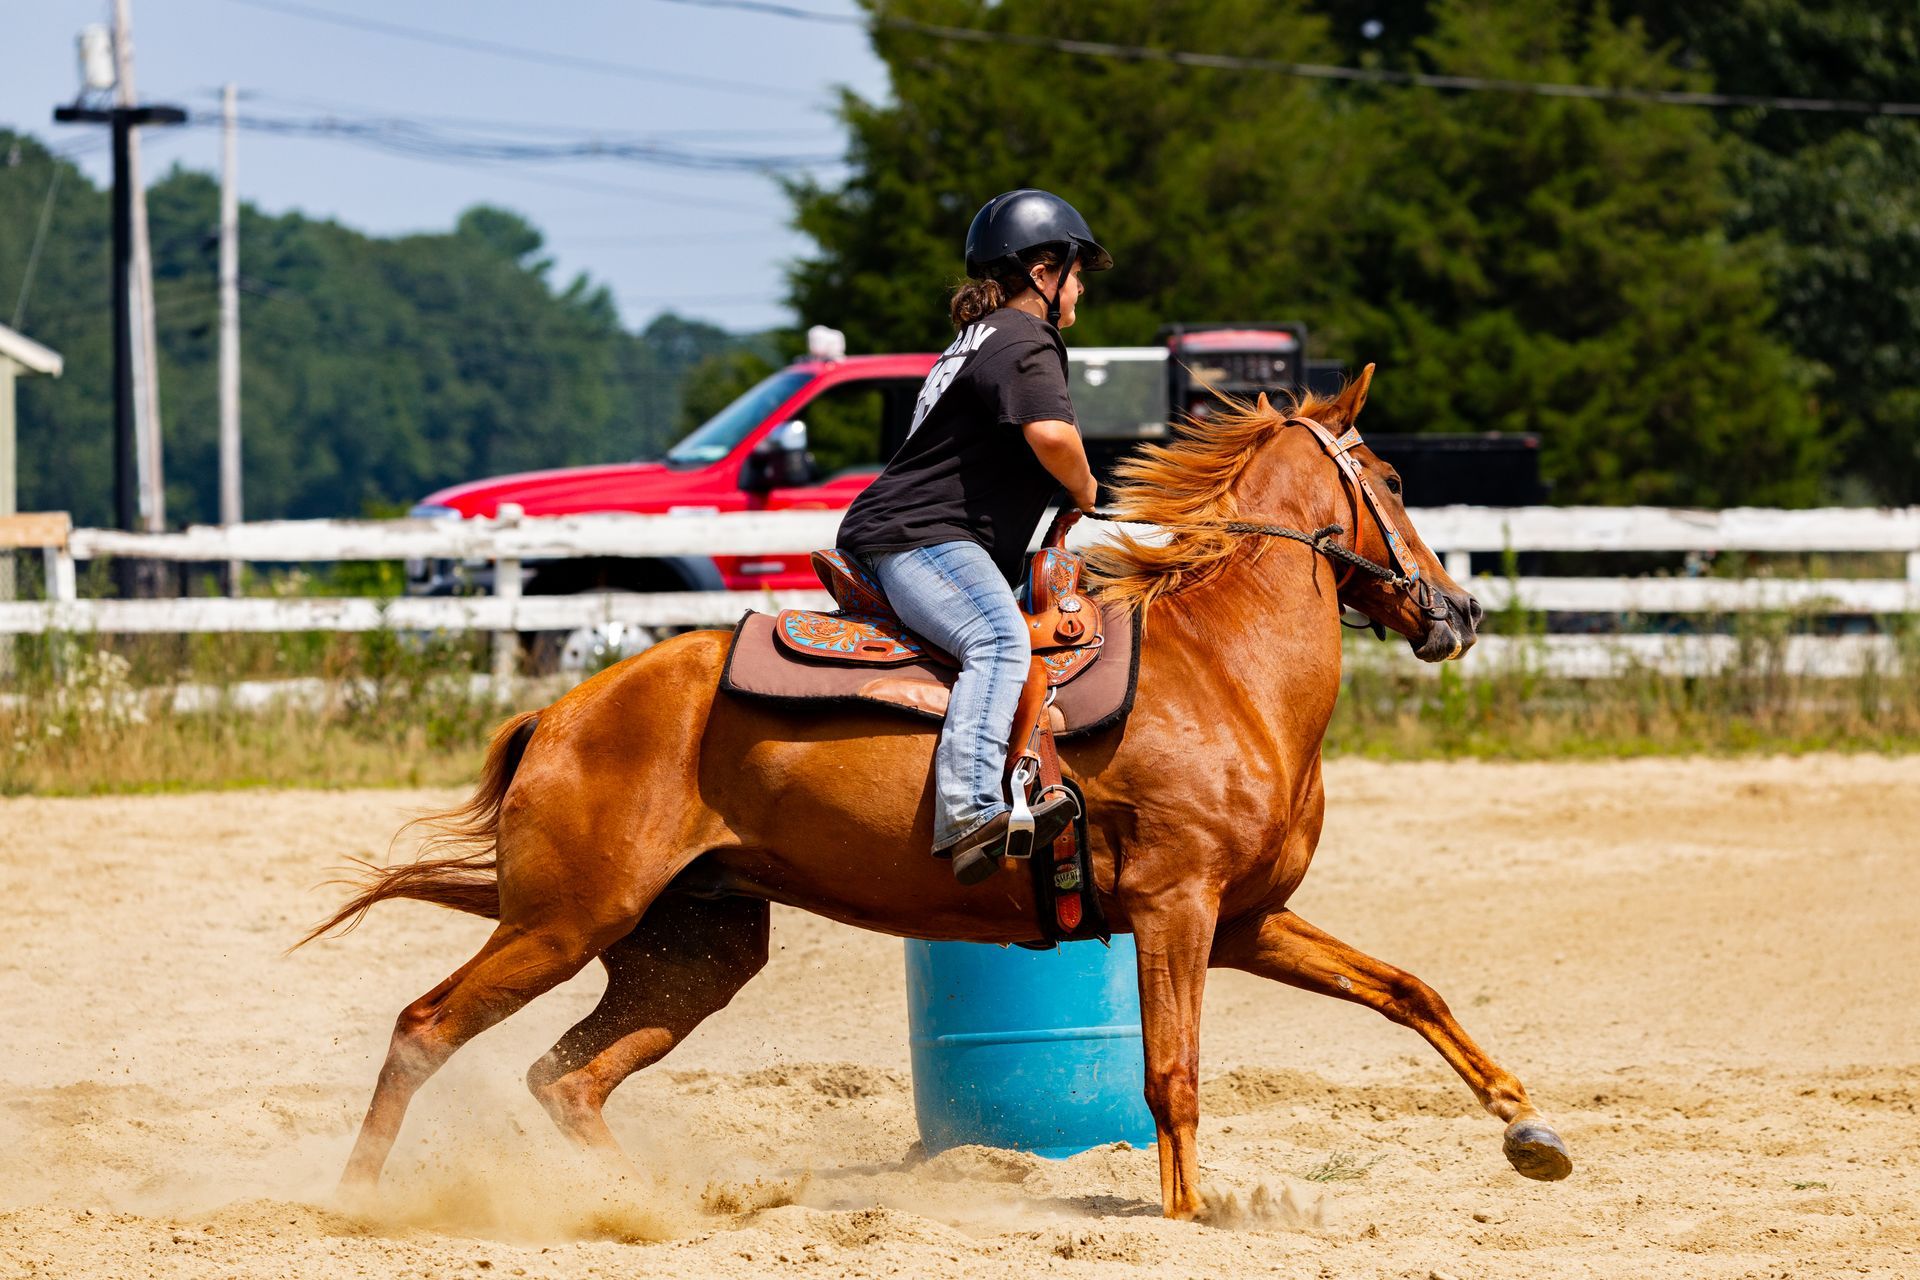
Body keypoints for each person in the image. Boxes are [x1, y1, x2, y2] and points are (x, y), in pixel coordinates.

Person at [838, 189, 1113, 885]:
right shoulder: (1026, 336)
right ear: (1044, 271)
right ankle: (967, 813)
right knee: (998, 639)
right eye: (1076, 272)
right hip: (927, 538)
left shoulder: (980, 337)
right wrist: (1087, 488)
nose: (1080, 288)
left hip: (911, 533)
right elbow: (1051, 435)